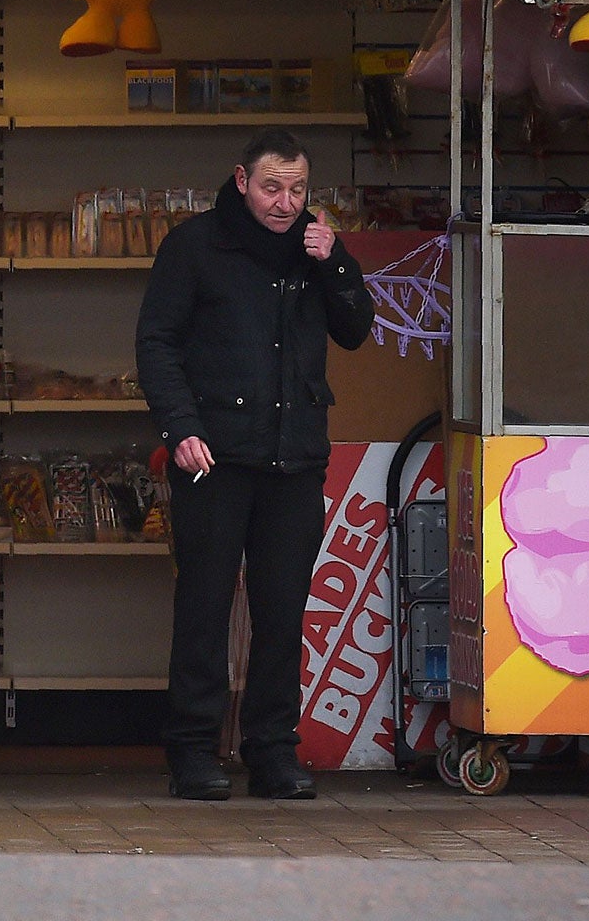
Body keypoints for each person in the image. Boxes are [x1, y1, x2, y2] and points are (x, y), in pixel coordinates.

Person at [135, 129, 375, 802]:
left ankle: (272, 751)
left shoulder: (316, 248)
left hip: (294, 455)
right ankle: (192, 751)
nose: (285, 202)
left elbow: (356, 330)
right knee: (205, 607)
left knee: (282, 611)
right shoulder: (195, 245)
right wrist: (180, 427)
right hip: (214, 453)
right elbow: (157, 343)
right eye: (272, 187)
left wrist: (337, 262)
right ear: (241, 181)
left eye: (298, 189)